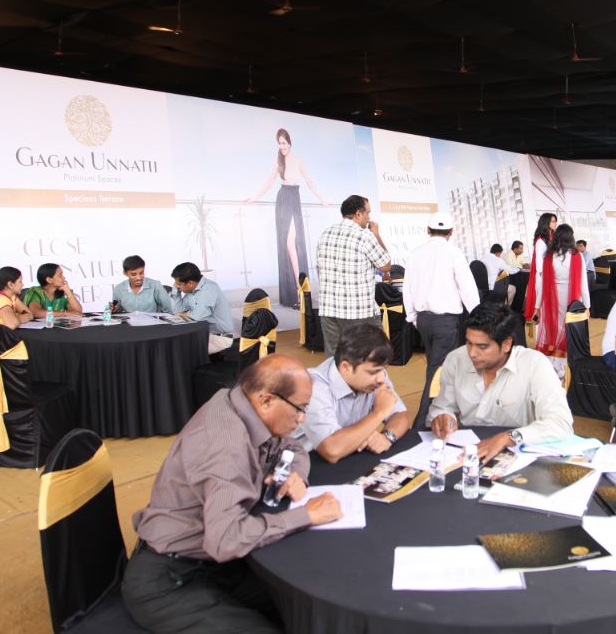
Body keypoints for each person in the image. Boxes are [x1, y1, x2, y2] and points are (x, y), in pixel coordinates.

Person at [123, 355, 342, 632]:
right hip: (170, 580)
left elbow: (293, 448)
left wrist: (293, 473)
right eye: (300, 409)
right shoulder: (227, 448)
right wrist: (305, 515)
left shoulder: (241, 402)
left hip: (219, 565)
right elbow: (226, 540)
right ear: (266, 400)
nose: (302, 419)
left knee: (305, 605)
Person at [426, 303, 575, 462]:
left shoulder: (534, 364)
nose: (472, 353)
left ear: (506, 344)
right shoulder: (456, 360)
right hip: (466, 454)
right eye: (468, 343)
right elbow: (442, 407)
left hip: (518, 456)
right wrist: (443, 417)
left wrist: (507, 438)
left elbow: (560, 423)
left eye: (482, 346)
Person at [297, 323, 410, 462]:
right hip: (303, 463)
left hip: (347, 457)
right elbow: (331, 450)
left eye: (384, 369)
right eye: (373, 372)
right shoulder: (314, 387)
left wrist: (387, 437)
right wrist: (379, 413)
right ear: (346, 368)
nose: (382, 378)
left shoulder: (375, 377)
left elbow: (401, 415)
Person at [245, 128, 329, 308]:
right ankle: (297, 291)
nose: (282, 146)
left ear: (290, 143)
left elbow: (309, 181)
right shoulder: (278, 161)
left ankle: (299, 291)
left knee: (294, 245)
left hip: (294, 199)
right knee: (289, 245)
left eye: (284, 143)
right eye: (279, 143)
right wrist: (254, 197)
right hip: (283, 200)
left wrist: (322, 200)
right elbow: (269, 182)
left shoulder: (298, 161)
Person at [403, 213, 481, 392]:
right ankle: (427, 409)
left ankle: (442, 404)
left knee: (435, 363)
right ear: (451, 232)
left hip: (423, 320)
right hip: (446, 322)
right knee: (438, 370)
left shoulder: (414, 254)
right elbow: (467, 288)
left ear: (428, 230)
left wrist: (413, 318)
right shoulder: (454, 253)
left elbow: (407, 289)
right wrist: (478, 315)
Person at [314, 195, 393, 358]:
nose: (369, 217)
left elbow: (319, 270)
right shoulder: (365, 236)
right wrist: (376, 235)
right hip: (358, 312)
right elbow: (386, 265)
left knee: (335, 358)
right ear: (358, 213)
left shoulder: (326, 233)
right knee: (371, 358)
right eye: (368, 213)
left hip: (329, 309)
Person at [532, 223, 591, 380]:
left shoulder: (549, 256)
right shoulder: (577, 256)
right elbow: (583, 285)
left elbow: (543, 285)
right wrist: (587, 306)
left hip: (552, 299)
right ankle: (565, 367)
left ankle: (553, 365)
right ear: (571, 238)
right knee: (568, 330)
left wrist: (537, 307)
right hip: (572, 300)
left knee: (555, 330)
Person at [170, 262, 237, 355]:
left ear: (190, 283)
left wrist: (184, 314)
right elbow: (177, 311)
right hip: (204, 334)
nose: (177, 286)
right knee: (174, 345)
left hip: (220, 338)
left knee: (181, 351)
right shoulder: (191, 291)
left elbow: (198, 316)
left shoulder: (209, 288)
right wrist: (175, 291)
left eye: (179, 284)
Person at [521, 212, 557, 320]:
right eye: (553, 221)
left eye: (556, 221)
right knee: (542, 307)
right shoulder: (541, 241)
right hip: (543, 276)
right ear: (546, 222)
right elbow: (539, 264)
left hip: (552, 275)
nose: (555, 223)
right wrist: (548, 274)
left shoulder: (552, 238)